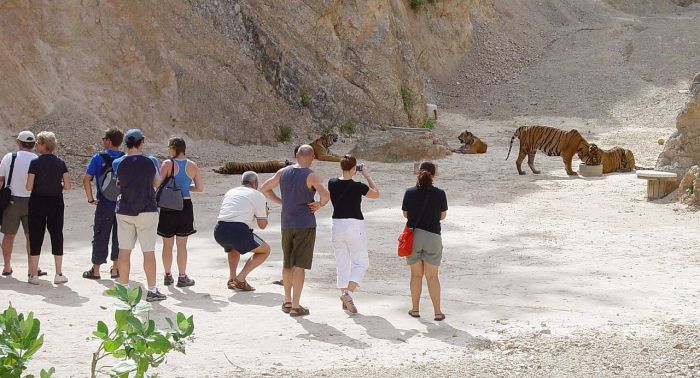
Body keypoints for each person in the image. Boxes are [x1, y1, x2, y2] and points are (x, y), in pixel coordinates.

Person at [261, 144, 329, 317]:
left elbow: (264, 188)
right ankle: (296, 306)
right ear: (313, 157)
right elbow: (325, 195)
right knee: (299, 265)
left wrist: (281, 201)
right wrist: (319, 205)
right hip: (304, 223)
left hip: (287, 223)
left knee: (287, 263)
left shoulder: (283, 172)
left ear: (296, 156)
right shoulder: (311, 175)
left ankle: (287, 301)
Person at [112, 129, 165, 302]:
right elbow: (157, 182)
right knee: (148, 252)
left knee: (124, 251)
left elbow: (118, 183)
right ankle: (152, 289)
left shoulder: (118, 162)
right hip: (147, 209)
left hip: (125, 209)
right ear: (142, 142)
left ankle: (124, 289)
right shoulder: (150, 161)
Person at [327, 155, 379, 314]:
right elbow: (376, 193)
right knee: (361, 262)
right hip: (354, 225)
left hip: (337, 224)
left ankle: (345, 298)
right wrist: (367, 175)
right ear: (353, 168)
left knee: (342, 262)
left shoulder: (332, 183)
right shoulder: (358, 186)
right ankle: (347, 294)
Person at [402, 161, 447, 321]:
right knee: (432, 277)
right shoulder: (440, 193)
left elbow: (405, 214)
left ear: (419, 173)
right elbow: (442, 216)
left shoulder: (409, 192)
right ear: (434, 175)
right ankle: (437, 312)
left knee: (415, 276)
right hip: (433, 236)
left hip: (414, 236)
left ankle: (415, 310)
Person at [25, 132, 71, 284]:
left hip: (37, 201)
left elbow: (28, 186)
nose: (36, 145)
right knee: (57, 234)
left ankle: (34, 274)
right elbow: (68, 186)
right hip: (56, 201)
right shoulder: (61, 163)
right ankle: (58, 274)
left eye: (38, 143)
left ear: (44, 145)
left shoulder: (35, 163)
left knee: (36, 236)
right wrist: (58, 186)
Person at [158, 137, 203, 287]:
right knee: (182, 245)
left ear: (174, 148)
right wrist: (184, 188)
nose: (168, 150)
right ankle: (182, 276)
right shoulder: (192, 165)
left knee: (167, 244)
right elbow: (199, 188)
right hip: (185, 204)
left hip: (168, 206)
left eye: (169, 147)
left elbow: (158, 184)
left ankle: (167, 275)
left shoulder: (167, 164)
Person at [214, 171, 270, 291]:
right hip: (239, 231)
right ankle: (240, 278)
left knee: (233, 247)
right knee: (265, 250)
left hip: (219, 230)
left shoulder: (231, 192)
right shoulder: (258, 195)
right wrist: (265, 213)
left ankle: (232, 278)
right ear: (256, 183)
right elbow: (262, 225)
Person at [82, 128, 124, 280]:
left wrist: (91, 199)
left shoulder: (98, 158)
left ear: (108, 140)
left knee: (100, 235)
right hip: (122, 205)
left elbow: (86, 179)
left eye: (104, 138)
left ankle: (96, 270)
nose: (102, 140)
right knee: (119, 236)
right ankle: (115, 269)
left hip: (104, 204)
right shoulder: (125, 158)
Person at [0, 131, 41, 278]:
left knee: (9, 235)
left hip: (12, 201)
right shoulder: (36, 159)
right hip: (33, 202)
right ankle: (32, 269)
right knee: (31, 236)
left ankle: (7, 266)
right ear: (33, 144)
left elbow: (1, 180)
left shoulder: (9, 157)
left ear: (19, 142)